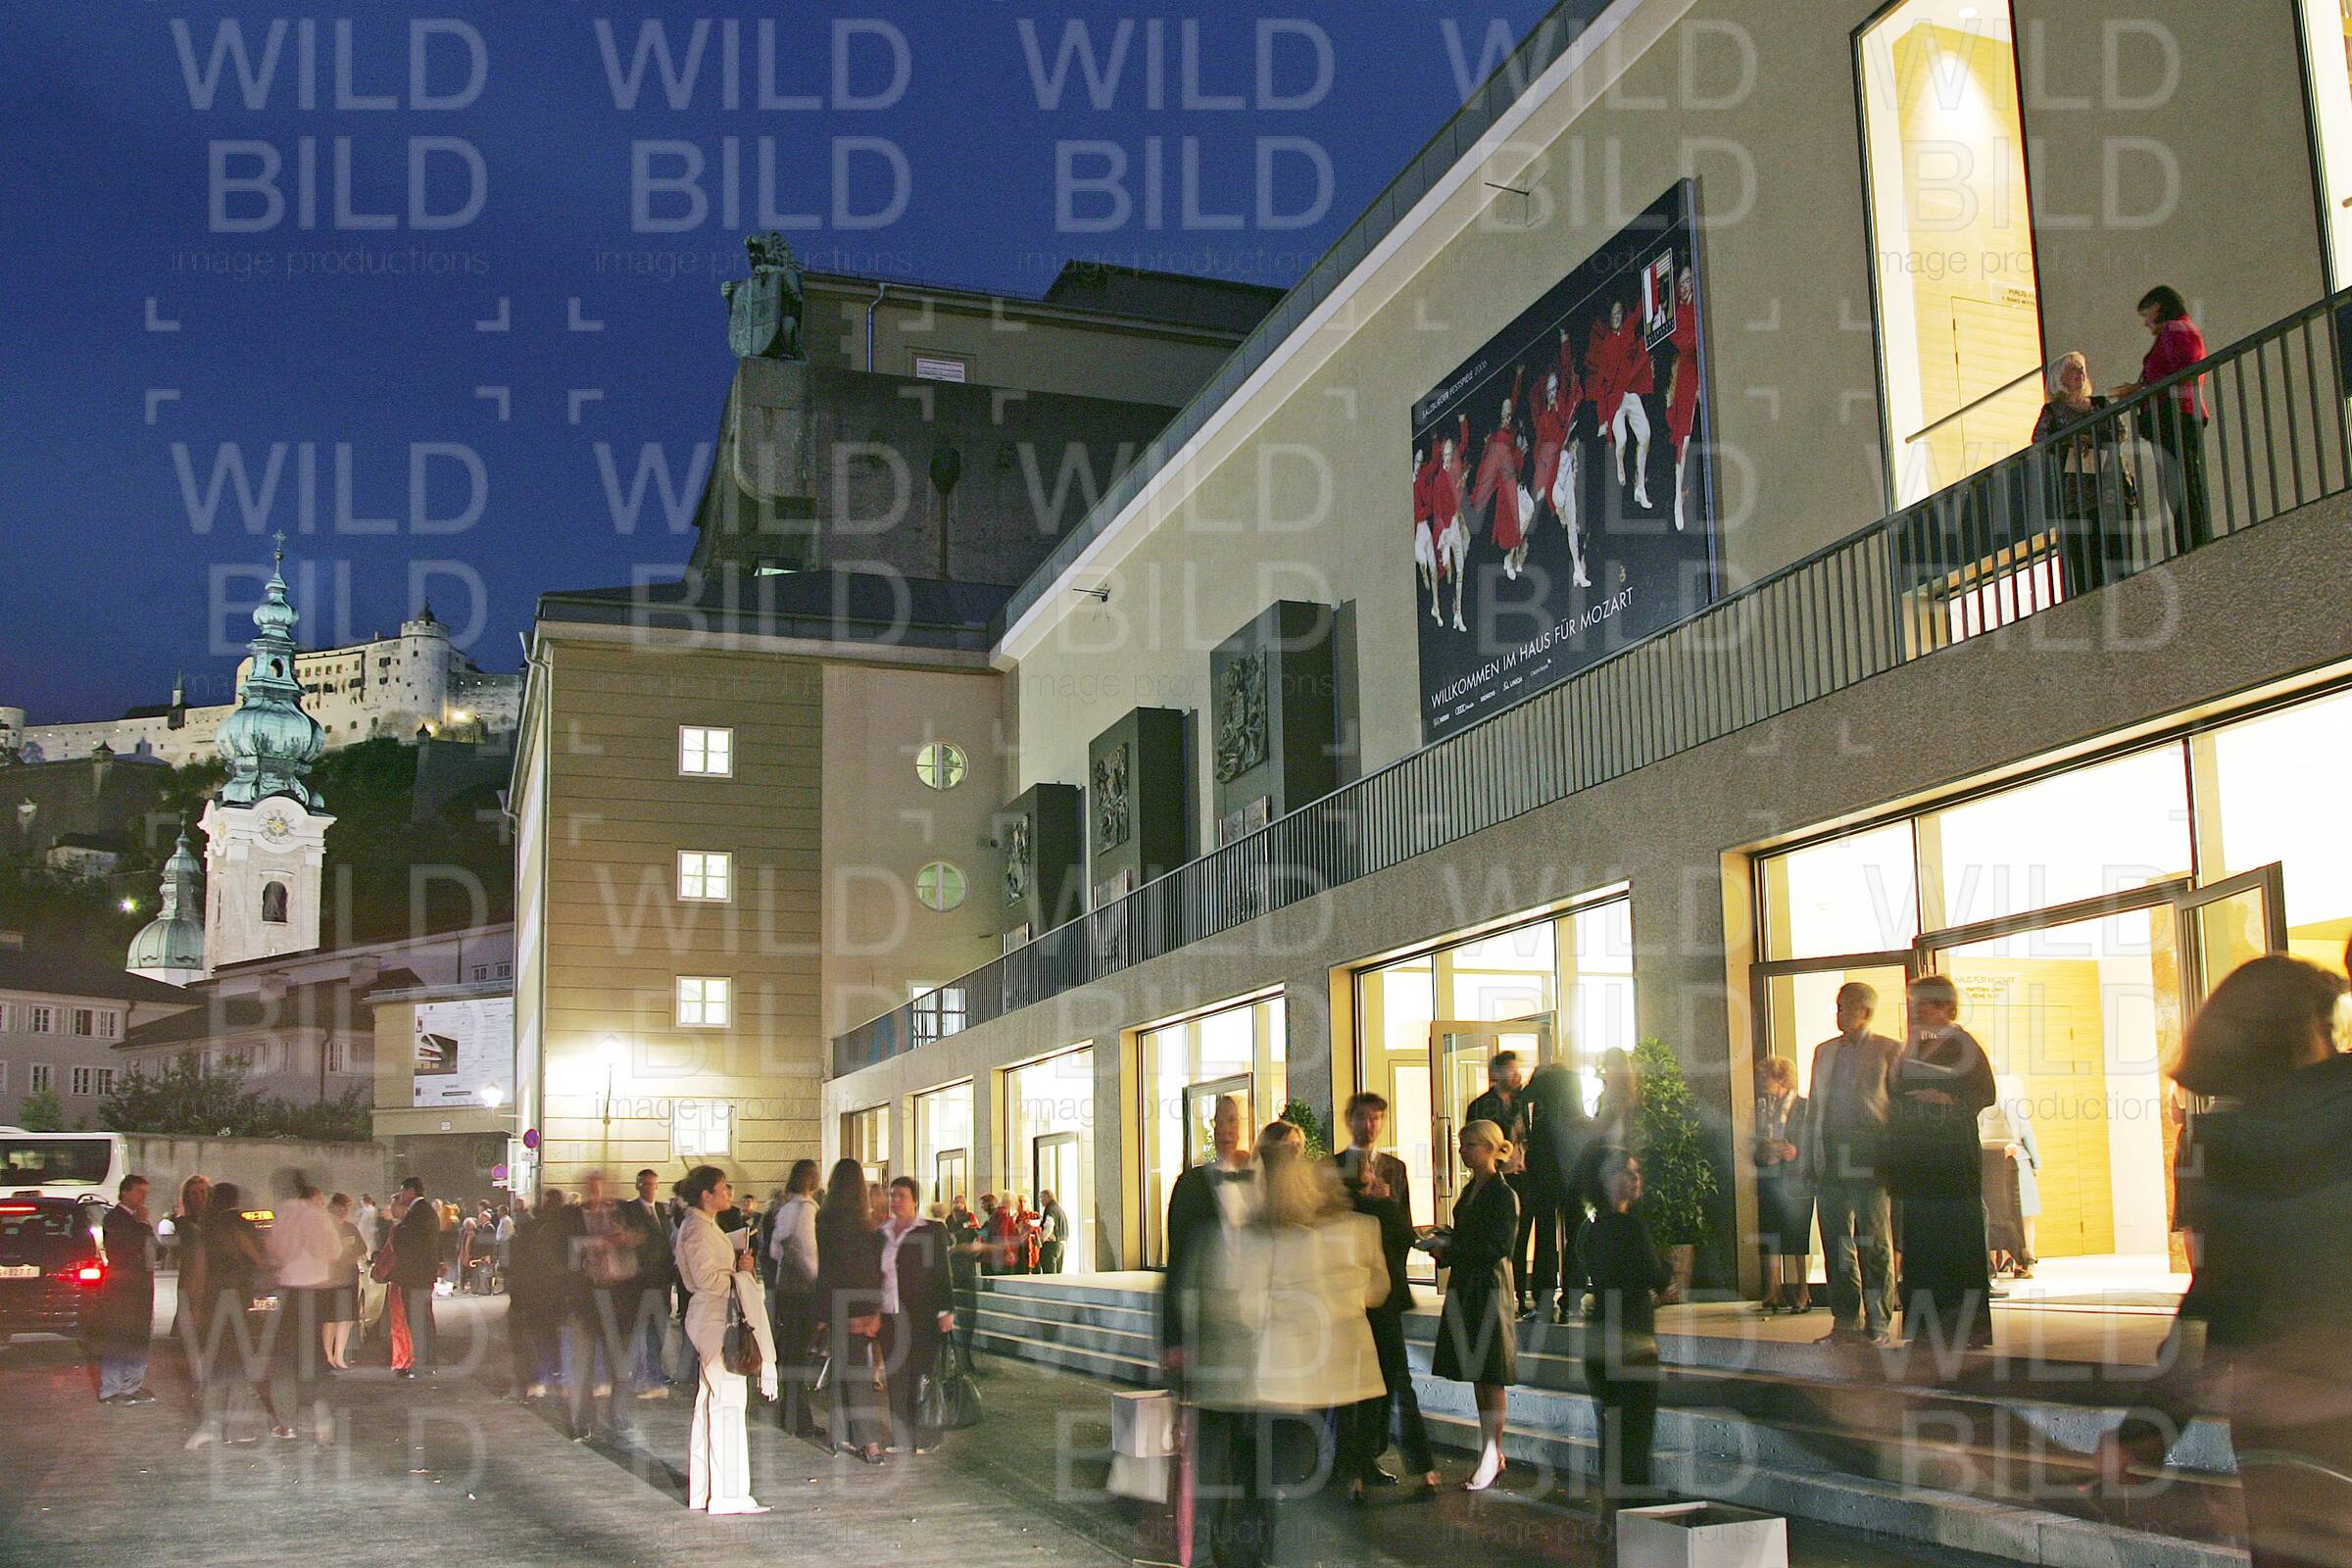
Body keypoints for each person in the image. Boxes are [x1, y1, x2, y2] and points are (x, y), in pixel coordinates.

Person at [2086, 956, 2351, 1567]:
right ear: (2311, 1030)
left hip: (2278, 1422)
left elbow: (2213, 1301)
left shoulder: (2220, 1141)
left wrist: (2146, 1429)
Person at [1186, 1121, 1384, 1567]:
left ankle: (1248, 1551)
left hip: (1253, 1383)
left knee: (1253, 1481)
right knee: (1294, 1486)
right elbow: (1368, 1294)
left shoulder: (1246, 1239)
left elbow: (1236, 1307)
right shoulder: (1331, 1238)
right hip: (1302, 1387)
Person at [1332, 1092, 1439, 1498]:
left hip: (1386, 1287)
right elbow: (1331, 1226)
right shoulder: (1332, 1168)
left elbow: (1403, 1231)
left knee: (1396, 1377)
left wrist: (1386, 1203)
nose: (1370, 1125)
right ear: (1350, 1120)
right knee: (1355, 1382)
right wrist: (1364, 1199)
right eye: (1363, 1118)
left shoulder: (1396, 1169)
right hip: (1349, 1290)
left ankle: (1419, 1465)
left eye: (1376, 1118)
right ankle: (1355, 1467)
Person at [1891, 974, 1997, 1349]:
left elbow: (1985, 1093)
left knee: (1956, 1236)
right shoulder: (1914, 1047)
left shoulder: (1963, 1044)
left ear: (1945, 1007)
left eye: (1923, 1004)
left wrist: (1947, 1099)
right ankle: (1925, 1328)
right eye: (1913, 1004)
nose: (1916, 1011)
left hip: (1953, 1152)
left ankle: (1964, 1328)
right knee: (1922, 1237)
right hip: (1921, 1154)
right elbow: (1895, 1089)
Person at [673, 1164, 778, 1514]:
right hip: (716, 1319)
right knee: (727, 1404)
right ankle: (727, 1494)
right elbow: (707, 1280)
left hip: (714, 1317)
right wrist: (741, 1272)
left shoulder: (702, 1225)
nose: (728, 1193)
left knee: (714, 1402)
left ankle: (708, 1491)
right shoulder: (697, 1229)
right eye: (723, 1188)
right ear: (706, 1195)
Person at [1802, 983, 1901, 1347]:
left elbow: (1898, 1108)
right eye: (1838, 1007)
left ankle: (1878, 1322)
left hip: (1871, 1158)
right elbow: (1814, 1107)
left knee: (1874, 1243)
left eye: (1846, 1007)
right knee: (1836, 1242)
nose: (1839, 1014)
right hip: (1831, 1156)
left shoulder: (1890, 1050)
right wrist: (1809, 1157)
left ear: (1866, 1011)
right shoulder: (1825, 1052)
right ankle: (1845, 1321)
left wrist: (1896, 1159)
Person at [1427, 1119, 1520, 1492]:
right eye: (1462, 1145)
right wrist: (1445, 1248)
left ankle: (1492, 1451)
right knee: (1480, 1373)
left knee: (1490, 1372)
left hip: (1490, 1287)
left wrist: (1452, 1249)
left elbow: (1498, 1246)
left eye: (1469, 1145)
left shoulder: (1501, 1193)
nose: (1463, 1151)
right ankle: (1490, 1450)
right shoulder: (1472, 1189)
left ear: (1489, 1148)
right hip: (1470, 1284)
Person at [1582, 1148, 1673, 1508]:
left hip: (1600, 1336)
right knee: (1635, 1432)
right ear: (1607, 1181)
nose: (1636, 1179)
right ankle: (1633, 1511)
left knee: (1612, 1429)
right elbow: (1656, 1275)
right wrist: (1664, 1277)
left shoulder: (1591, 1228)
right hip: (1632, 1338)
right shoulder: (1630, 1226)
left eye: (1637, 1172)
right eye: (1626, 1172)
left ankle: (1614, 1507)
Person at [2110, 284, 2211, 554]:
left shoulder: (2176, 329)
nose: (2146, 323)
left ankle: (2193, 543)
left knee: (2182, 482)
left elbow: (2185, 368)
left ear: (2158, 307)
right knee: (2181, 480)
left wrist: (2141, 389)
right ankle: (2191, 541)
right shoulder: (2178, 330)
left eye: (2146, 315)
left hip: (2176, 414)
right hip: (2177, 413)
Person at [1161, 1093, 1255, 1377]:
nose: (1225, 1129)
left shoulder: (1258, 1183)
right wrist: (1173, 1336)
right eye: (1220, 1121)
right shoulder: (1192, 1185)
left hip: (1253, 1318)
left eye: (1232, 1121)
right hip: (1209, 1319)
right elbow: (1178, 1260)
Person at [186, 1183, 284, 1447]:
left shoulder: (206, 1228)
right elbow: (258, 1258)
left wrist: (195, 1306)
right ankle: (236, 1427)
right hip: (238, 1300)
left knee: (216, 1362)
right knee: (240, 1362)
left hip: (212, 1301)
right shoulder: (241, 1225)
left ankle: (210, 1423)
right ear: (236, 1200)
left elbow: (198, 1269)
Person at [815, 1157, 888, 1464]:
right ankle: (868, 1440)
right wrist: (874, 1311)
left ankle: (840, 1433)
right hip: (860, 1305)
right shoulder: (866, 1226)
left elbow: (826, 1269)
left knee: (841, 1365)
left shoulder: (824, 1221)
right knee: (857, 1371)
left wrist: (823, 1312)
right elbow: (871, 1272)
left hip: (835, 1303)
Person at [878, 1176, 955, 1454]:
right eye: (892, 1195)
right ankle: (901, 1437)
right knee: (896, 1375)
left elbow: (941, 1272)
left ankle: (926, 1436)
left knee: (921, 1375)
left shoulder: (930, 1231)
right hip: (890, 1313)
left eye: (901, 1195)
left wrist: (946, 1310)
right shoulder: (883, 1233)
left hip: (921, 1314)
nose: (895, 1200)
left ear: (914, 1200)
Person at [266, 1175, 340, 1442]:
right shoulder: (319, 1217)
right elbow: (334, 1251)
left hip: (289, 1293)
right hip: (317, 1292)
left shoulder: (283, 1217)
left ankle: (287, 1422)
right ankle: (321, 1416)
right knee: (315, 1356)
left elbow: (274, 1252)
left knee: (284, 1359)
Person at [1520, 1059, 1591, 1323]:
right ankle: (1573, 1299)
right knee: (1575, 1238)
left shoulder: (1541, 1085)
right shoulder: (1573, 1085)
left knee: (1546, 1238)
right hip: (1573, 1171)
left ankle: (1544, 1299)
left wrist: (1534, 1079)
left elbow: (1521, 1100)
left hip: (1544, 1173)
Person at [1464, 1051, 1531, 1313]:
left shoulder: (1520, 1103)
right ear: (1497, 1074)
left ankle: (1520, 1295)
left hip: (1522, 1175)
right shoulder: (1482, 1106)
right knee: (1501, 1237)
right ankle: (1505, 1295)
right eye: (1511, 1070)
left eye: (1518, 1070)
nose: (1517, 1075)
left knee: (1520, 1238)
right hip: (1499, 1174)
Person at [1752, 1057, 1813, 1315]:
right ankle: (1773, 1288)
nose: (1762, 1081)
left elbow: (1812, 1141)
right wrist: (1764, 1152)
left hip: (1796, 1178)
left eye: (1766, 1076)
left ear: (1781, 1078)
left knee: (1797, 1235)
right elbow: (1755, 1142)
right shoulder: (1763, 1108)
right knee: (1771, 1232)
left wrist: (1795, 1151)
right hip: (1770, 1175)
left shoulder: (1804, 1107)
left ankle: (1803, 1290)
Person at [766, 1158, 822, 1437]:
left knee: (789, 1355)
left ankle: (788, 1415)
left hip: (785, 1289)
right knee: (799, 1358)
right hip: (804, 1293)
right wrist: (817, 1281)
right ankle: (799, 1420)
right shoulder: (809, 1211)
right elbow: (810, 1254)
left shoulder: (785, 1209)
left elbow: (775, 1250)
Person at [90, 1174, 157, 1405]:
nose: (143, 1198)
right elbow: (124, 1249)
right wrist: (142, 1225)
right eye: (140, 1192)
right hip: (122, 1289)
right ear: (125, 1192)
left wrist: (145, 1225)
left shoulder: (139, 1221)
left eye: (145, 1193)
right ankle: (111, 1388)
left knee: (138, 1336)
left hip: (141, 1288)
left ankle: (132, 1385)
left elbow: (158, 1250)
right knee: (119, 1337)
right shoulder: (114, 1219)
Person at [387, 1177, 443, 1376]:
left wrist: (398, 1230)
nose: (401, 1195)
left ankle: (425, 1363)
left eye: (402, 1190)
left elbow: (410, 1243)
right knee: (421, 1319)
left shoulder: (419, 1213)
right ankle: (426, 1362)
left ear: (411, 1191)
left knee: (419, 1320)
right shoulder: (424, 1212)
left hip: (415, 1275)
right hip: (420, 1274)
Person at [322, 1193, 366, 1370]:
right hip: (330, 1278)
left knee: (346, 1317)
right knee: (330, 1318)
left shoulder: (350, 1228)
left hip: (348, 1277)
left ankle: (339, 1355)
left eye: (347, 1208)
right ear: (333, 1207)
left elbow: (362, 1247)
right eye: (342, 1207)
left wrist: (352, 1254)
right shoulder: (324, 1228)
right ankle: (328, 1355)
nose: (344, 1211)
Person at [1037, 1190, 1069, 1275]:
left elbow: (1049, 1225)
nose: (1040, 1201)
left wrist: (1041, 1238)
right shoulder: (1059, 1210)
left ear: (1047, 1197)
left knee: (1049, 1275)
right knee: (1057, 1275)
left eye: (1041, 1198)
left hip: (1050, 1246)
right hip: (1060, 1245)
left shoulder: (1050, 1209)